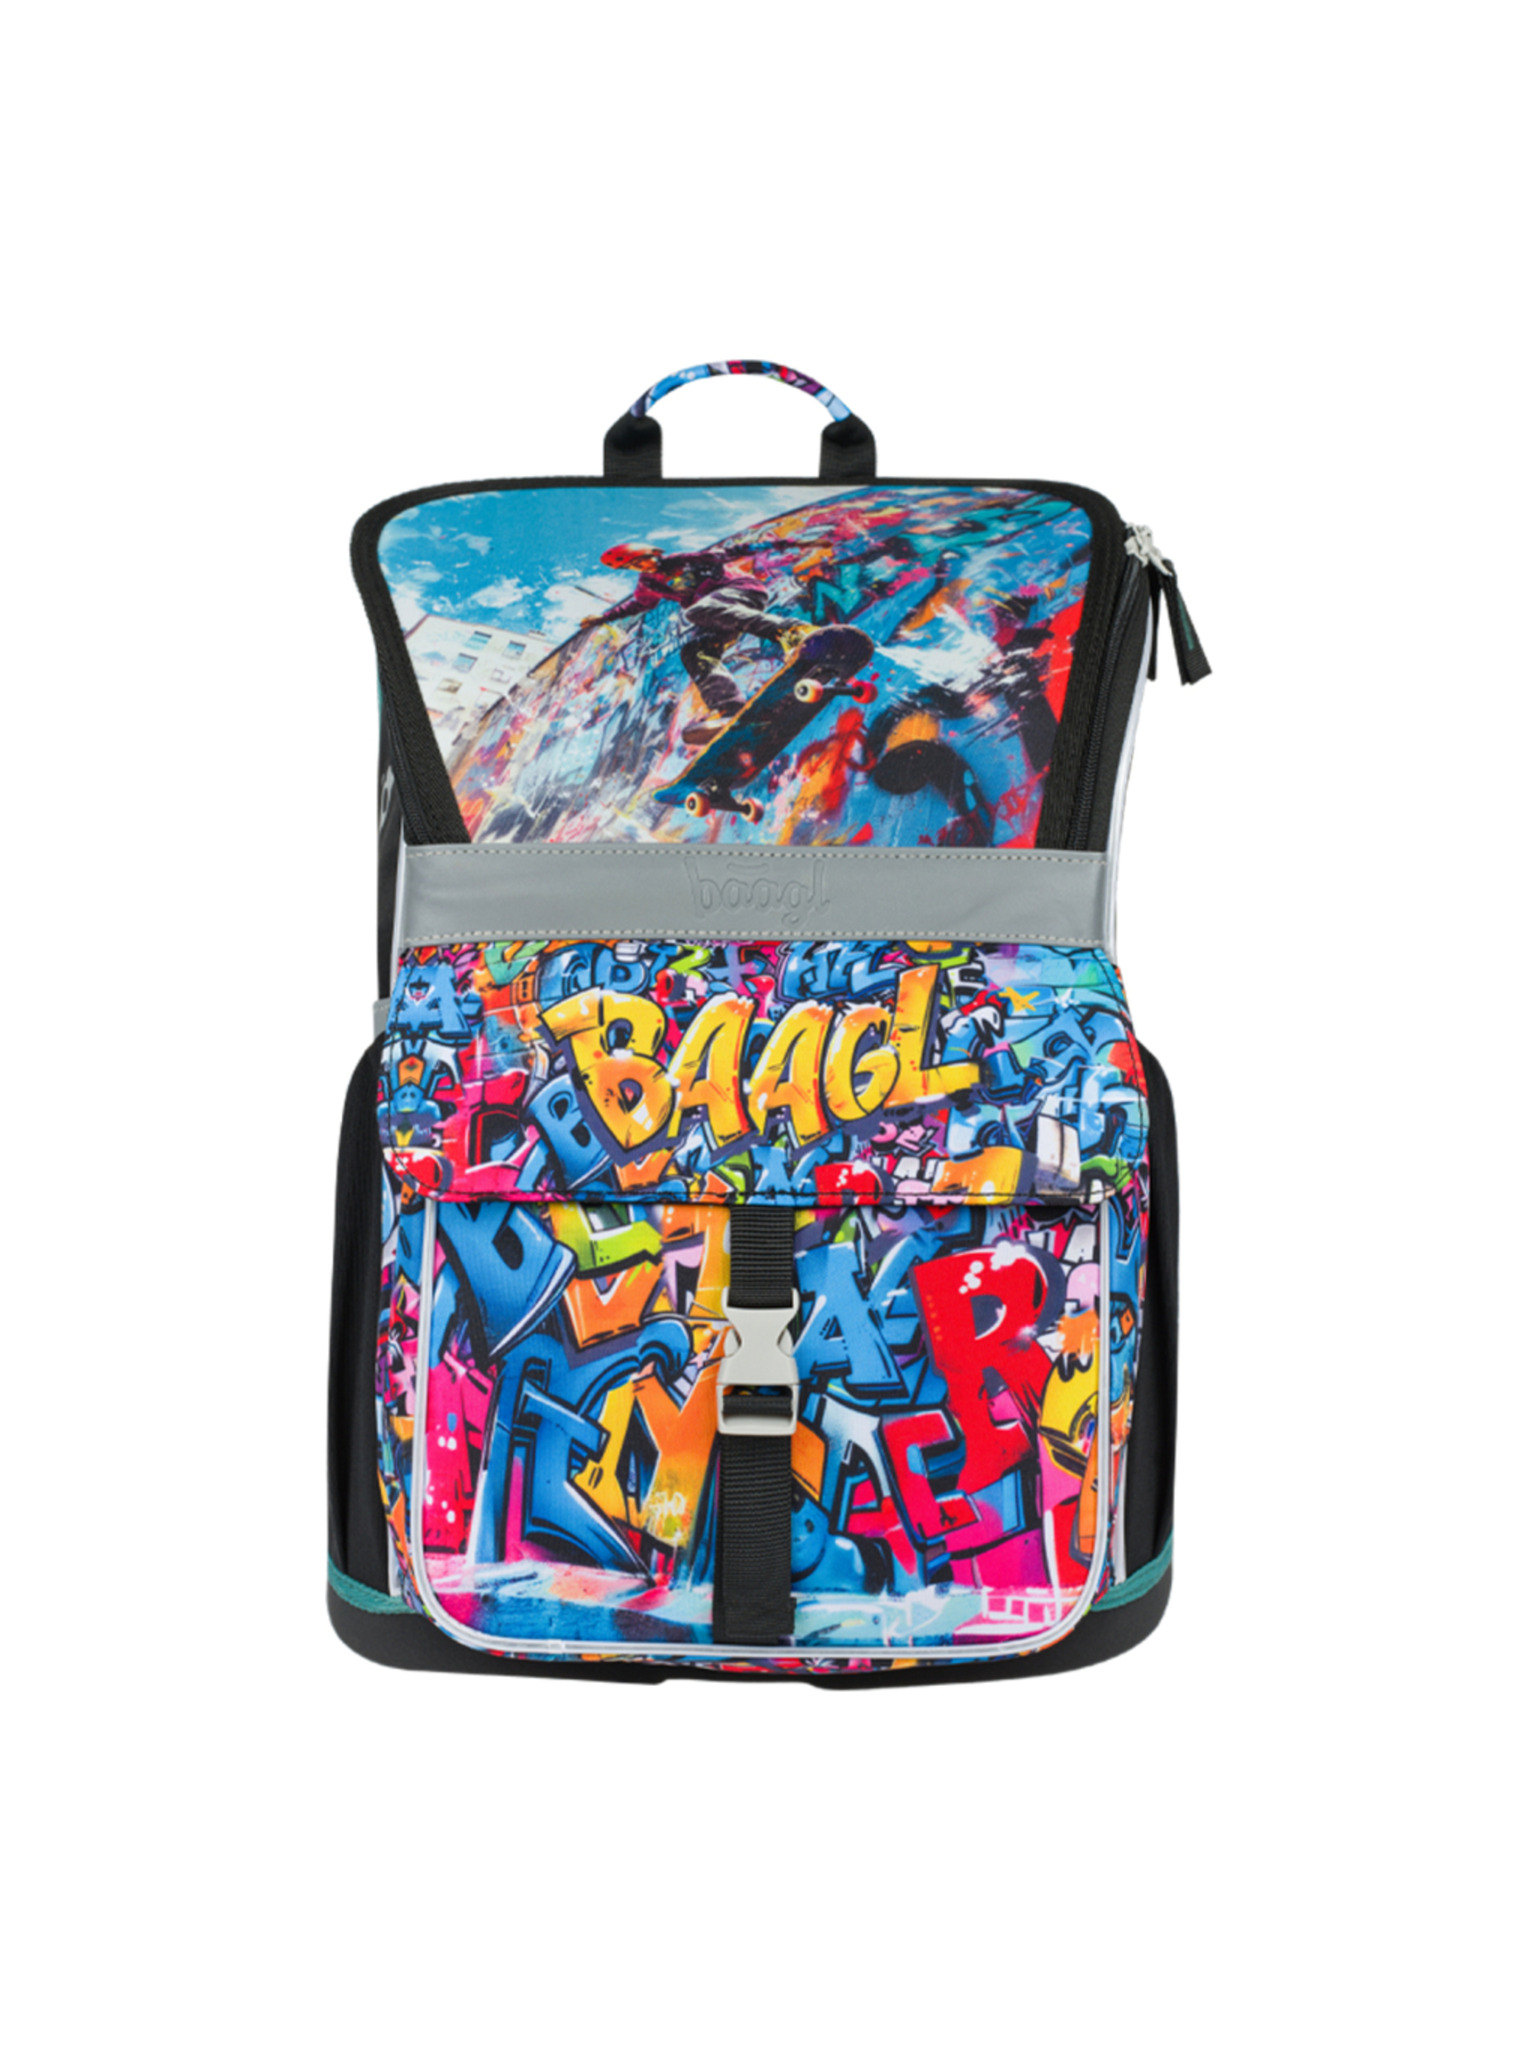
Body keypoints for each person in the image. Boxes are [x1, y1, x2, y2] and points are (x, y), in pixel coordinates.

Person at [584, 541, 805, 737]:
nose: (643, 567)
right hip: (714, 612)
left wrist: (792, 543)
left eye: (643, 561)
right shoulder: (648, 583)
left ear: (654, 554)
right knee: (694, 651)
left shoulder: (684, 560)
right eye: (634, 566)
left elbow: (733, 552)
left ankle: (792, 631)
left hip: (741, 591)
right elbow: (639, 604)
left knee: (697, 611)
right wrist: (602, 618)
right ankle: (730, 708)